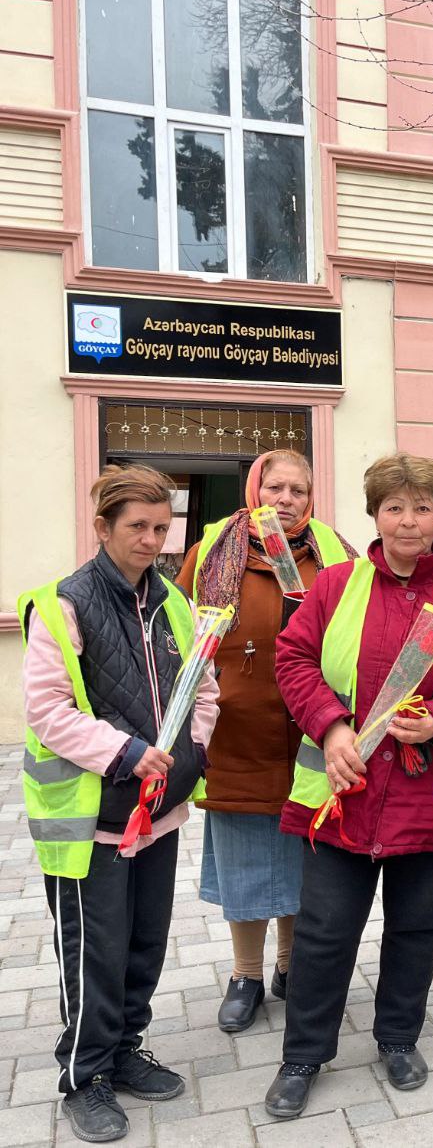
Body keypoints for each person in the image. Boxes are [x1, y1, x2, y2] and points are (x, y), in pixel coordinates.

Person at [262, 453, 433, 1119]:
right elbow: (293, 658)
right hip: (342, 793)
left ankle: (398, 1036)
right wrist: (331, 727)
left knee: (417, 926)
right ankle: (304, 1053)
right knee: (324, 931)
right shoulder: (337, 584)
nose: (409, 521)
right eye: (394, 507)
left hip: (432, 799)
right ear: (374, 514)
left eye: (423, 507)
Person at [19, 465, 219, 1143]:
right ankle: (86, 1074)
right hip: (92, 821)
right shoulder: (64, 603)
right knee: (94, 952)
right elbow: (47, 710)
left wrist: (191, 751)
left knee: (144, 943)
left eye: (162, 528)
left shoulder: (175, 601)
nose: (152, 539)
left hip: (159, 811)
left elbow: (204, 689)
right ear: (102, 526)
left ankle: (125, 1045)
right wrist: (127, 753)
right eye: (137, 526)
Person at [176, 450, 356, 1033]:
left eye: (297, 490)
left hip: (313, 731)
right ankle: (245, 975)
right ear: (255, 490)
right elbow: (178, 631)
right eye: (274, 487)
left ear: (311, 497)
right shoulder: (211, 550)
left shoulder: (333, 554)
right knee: (246, 858)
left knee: (308, 855)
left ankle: (291, 967)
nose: (285, 499)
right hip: (237, 734)